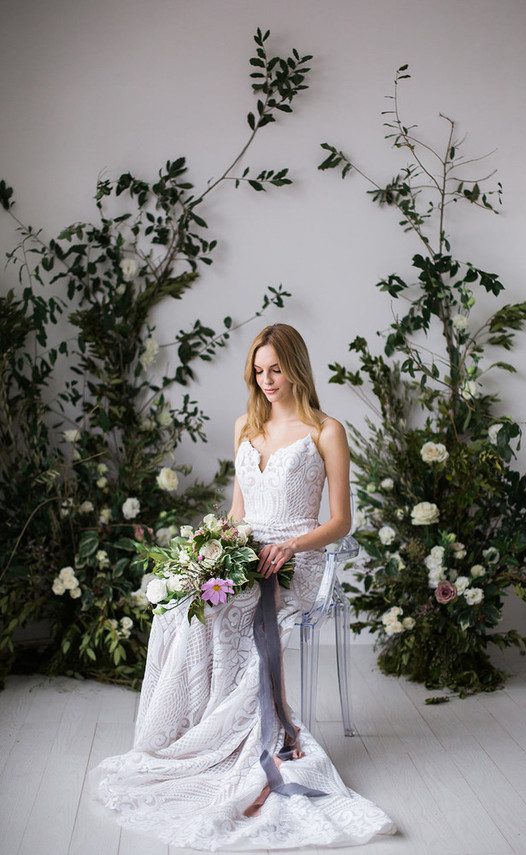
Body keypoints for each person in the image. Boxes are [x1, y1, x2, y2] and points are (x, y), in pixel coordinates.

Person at [91, 323, 396, 849]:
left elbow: (341, 520)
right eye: (259, 371)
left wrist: (293, 547)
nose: (268, 379)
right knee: (180, 603)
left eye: (276, 368)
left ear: (297, 366)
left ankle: (255, 740)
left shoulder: (325, 430)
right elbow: (239, 510)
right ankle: (193, 734)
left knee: (229, 613)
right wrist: (215, 549)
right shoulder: (244, 426)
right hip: (245, 551)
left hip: (295, 560)